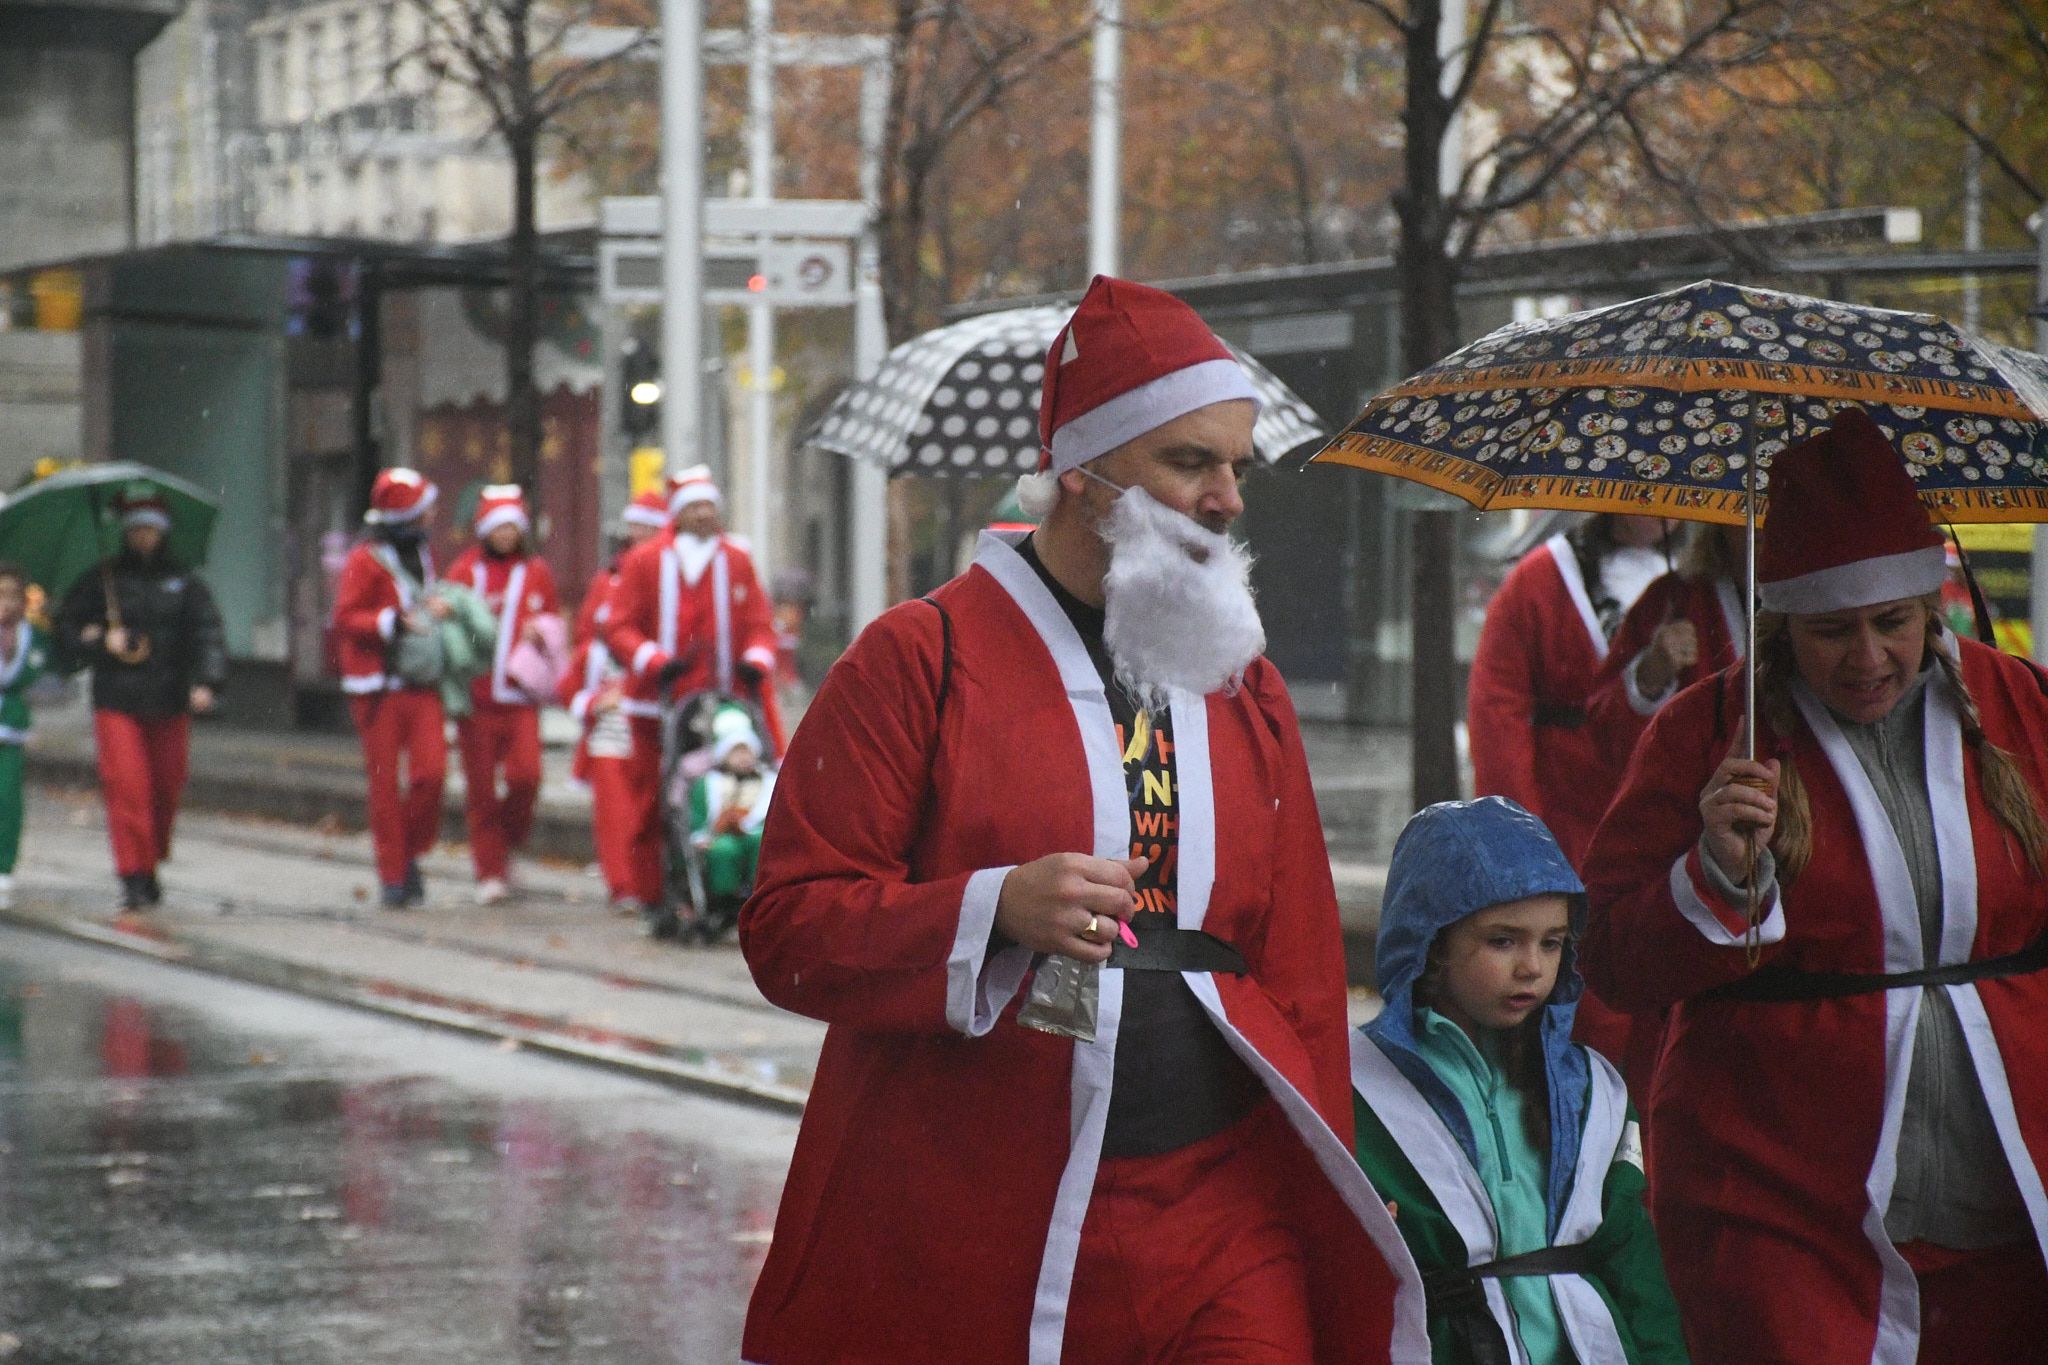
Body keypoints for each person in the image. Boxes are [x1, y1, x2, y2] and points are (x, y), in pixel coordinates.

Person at [737, 276, 1416, 1363]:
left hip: (1222, 1212)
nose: (1226, 499)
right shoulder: (918, 660)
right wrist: (991, 907)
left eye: (1234, 466)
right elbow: (788, 930)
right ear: (1083, 475)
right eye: (1188, 463)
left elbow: (1295, 975)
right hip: (981, 1211)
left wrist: (1332, 1175)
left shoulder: (1245, 687)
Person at [1580, 407, 2048, 1364]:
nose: (1868, 658)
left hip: (2005, 1197)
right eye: (1833, 630)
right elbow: (1613, 959)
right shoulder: (1707, 732)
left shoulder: (2021, 708)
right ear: (1780, 619)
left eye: (1893, 623)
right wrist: (1713, 874)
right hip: (1778, 1203)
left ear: (1933, 608)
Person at [1352, 797, 1688, 1365]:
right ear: (1430, 946)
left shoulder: (1594, 1094)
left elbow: (1632, 1266)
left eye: (1552, 942)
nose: (1532, 966)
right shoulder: (1357, 1089)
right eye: (1502, 941)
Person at [1467, 514, 1676, 862]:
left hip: (1653, 813)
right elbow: (1498, 709)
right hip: (1562, 812)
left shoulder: (1688, 581)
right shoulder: (1542, 575)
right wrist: (1518, 827)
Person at [55, 491, 225, 910]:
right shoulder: (102, 581)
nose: (144, 537)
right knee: (127, 786)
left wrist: (207, 680)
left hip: (169, 700)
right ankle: (133, 872)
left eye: (151, 529)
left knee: (166, 786)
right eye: (137, 529)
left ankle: (151, 856)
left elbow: (207, 633)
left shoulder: (185, 583)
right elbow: (66, 631)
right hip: (118, 699)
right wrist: (98, 639)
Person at [601, 466, 786, 760]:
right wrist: (654, 661)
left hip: (728, 702)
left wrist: (756, 659)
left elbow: (759, 624)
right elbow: (619, 627)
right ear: (677, 513)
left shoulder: (737, 561)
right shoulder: (644, 561)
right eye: (693, 506)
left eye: (708, 505)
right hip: (655, 702)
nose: (703, 514)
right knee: (654, 793)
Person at [329, 468, 449, 909]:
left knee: (431, 775)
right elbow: (345, 618)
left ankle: (410, 851)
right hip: (379, 686)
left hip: (420, 681)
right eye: (425, 508)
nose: (433, 514)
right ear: (407, 514)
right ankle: (393, 874)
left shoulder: (425, 553)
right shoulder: (364, 559)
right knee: (384, 784)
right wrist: (391, 622)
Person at [444, 485, 562, 904]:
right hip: (475, 699)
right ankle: (489, 869)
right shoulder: (464, 571)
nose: (507, 534)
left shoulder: (537, 572)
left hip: (519, 697)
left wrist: (541, 631)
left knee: (525, 777)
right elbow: (448, 622)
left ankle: (507, 843)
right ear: (485, 530)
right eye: (500, 526)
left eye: (514, 527)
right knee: (480, 788)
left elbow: (555, 624)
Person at [561, 490, 670, 916]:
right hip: (612, 702)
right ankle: (623, 883)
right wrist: (593, 693)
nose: (642, 533)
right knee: (614, 800)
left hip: (656, 697)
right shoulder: (608, 580)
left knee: (655, 798)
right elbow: (589, 638)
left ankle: (655, 882)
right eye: (637, 525)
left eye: (651, 526)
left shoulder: (674, 571)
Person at [1584, 522, 1748, 776]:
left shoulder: (1815, 603)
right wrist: (1650, 674)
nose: (1762, 526)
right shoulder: (1671, 599)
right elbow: (1605, 731)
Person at [686, 709, 775, 926]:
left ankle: (760, 889)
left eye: (747, 752)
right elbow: (698, 817)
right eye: (737, 752)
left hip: (754, 830)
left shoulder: (768, 781)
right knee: (724, 849)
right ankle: (725, 898)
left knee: (762, 843)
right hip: (720, 832)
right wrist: (700, 836)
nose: (744, 758)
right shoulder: (708, 784)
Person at [0, 563, 50, 909]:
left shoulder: (32, 635)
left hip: (11, 728)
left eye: (12, 596)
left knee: (7, 799)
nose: (5, 603)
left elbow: (41, 671)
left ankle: (3, 866)